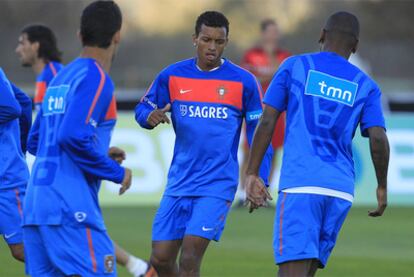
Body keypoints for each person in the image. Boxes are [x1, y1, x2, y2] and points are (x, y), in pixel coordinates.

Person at [244, 11, 389, 277]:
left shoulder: (295, 66)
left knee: (292, 272)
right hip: (340, 191)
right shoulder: (366, 85)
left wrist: (253, 172)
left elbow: (267, 121)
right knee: (306, 271)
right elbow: (378, 138)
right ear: (355, 46)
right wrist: (381, 186)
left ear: (322, 35)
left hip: (302, 184)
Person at [135, 11, 272, 277]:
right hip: (180, 181)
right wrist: (148, 117)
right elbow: (145, 106)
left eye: (219, 42)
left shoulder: (244, 81)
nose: (212, 47)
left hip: (217, 184)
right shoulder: (172, 75)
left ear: (226, 42)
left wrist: (259, 176)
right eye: (206, 39)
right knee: (161, 259)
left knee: (189, 258)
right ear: (194, 39)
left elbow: (259, 133)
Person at [16, 23, 155, 277]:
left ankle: (137, 266)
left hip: (36, 204)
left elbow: (37, 142)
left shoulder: (57, 79)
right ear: (117, 36)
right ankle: (139, 267)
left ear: (80, 36)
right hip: (69, 206)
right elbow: (71, 136)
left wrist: (98, 152)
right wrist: (116, 171)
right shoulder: (96, 78)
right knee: (103, 270)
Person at [236, 19, 291, 204]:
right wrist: (273, 74)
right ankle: (243, 192)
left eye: (276, 31)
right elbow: (248, 80)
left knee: (274, 151)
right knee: (249, 150)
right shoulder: (252, 55)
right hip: (255, 108)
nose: (273, 35)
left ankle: (266, 191)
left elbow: (288, 79)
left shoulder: (285, 55)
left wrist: (273, 69)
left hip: (278, 111)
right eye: (270, 31)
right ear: (263, 33)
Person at [0, 68, 32, 263]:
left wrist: (15, 154)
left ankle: (82, 268)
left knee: (23, 249)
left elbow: (12, 107)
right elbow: (24, 103)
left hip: (6, 182)